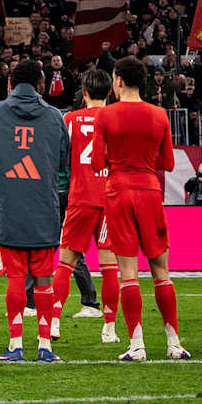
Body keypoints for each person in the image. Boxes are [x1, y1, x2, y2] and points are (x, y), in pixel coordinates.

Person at [93, 57, 189, 361]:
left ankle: (137, 345)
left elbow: (97, 163)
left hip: (119, 192)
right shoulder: (159, 114)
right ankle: (173, 343)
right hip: (149, 191)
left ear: (118, 80)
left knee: (128, 274)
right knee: (162, 271)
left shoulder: (106, 115)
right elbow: (169, 163)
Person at [0, 59, 67, 362]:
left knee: (15, 277)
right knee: (43, 278)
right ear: (41, 83)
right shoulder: (55, 117)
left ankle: (16, 345)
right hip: (43, 207)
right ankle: (45, 346)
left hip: (8, 207)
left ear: (10, 84)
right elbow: (63, 163)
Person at [53, 69, 122, 344]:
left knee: (65, 263)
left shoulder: (69, 120)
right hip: (110, 199)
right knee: (110, 267)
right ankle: (109, 329)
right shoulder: (117, 118)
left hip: (79, 198)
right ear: (110, 92)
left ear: (84, 93)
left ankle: (54, 322)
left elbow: (60, 159)